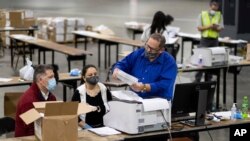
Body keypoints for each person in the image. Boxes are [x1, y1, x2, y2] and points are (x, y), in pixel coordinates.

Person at [113, 33, 177, 101]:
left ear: (161, 50)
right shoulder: (138, 54)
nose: (148, 50)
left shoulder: (169, 62)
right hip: (136, 97)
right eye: (147, 46)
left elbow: (164, 84)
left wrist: (144, 87)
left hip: (158, 100)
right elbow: (123, 63)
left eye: (152, 49)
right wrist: (117, 70)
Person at [15, 65, 57, 137]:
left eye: (54, 76)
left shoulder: (52, 98)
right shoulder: (28, 101)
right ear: (40, 80)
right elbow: (31, 131)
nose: (54, 80)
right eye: (50, 77)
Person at [72, 64, 112, 129]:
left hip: (105, 127)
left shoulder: (104, 89)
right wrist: (88, 127)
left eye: (95, 74)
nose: (93, 76)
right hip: (85, 128)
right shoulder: (79, 92)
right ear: (84, 78)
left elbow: (112, 107)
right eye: (90, 75)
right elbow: (73, 115)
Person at [195, 0, 224, 82]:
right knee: (201, 60)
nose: (215, 8)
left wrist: (216, 28)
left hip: (214, 40)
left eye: (217, 6)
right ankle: (197, 79)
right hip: (204, 40)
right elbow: (199, 27)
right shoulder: (202, 14)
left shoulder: (219, 15)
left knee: (212, 60)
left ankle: (209, 80)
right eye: (214, 5)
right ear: (210, 6)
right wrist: (209, 26)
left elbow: (221, 28)